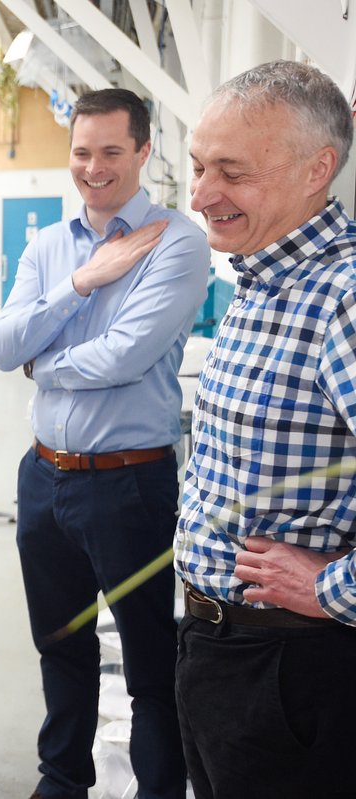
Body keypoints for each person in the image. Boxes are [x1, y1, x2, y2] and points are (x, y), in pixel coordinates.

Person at [0, 88, 210, 799]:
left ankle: (159, 788)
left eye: (112, 151)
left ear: (143, 150)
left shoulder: (178, 241)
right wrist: (82, 282)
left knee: (149, 660)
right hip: (42, 476)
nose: (94, 167)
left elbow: (124, 356)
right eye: (82, 152)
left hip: (129, 482)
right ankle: (61, 779)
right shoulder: (50, 247)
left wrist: (43, 364)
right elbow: (2, 346)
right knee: (60, 644)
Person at [175, 60, 356, 798]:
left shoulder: (342, 300)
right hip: (221, 653)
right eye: (198, 166)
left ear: (318, 169)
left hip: (292, 671)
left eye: (233, 172)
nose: (201, 194)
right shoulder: (262, 280)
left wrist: (337, 587)